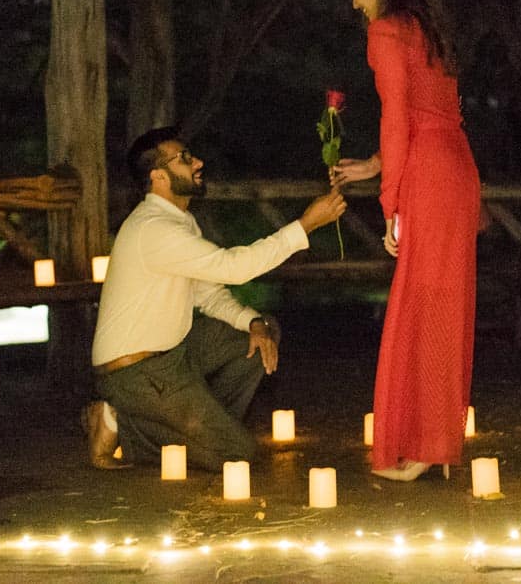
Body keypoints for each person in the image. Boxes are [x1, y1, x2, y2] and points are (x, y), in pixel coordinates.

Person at [86, 126, 347, 471]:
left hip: (175, 354)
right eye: (185, 158)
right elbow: (233, 268)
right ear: (158, 177)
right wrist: (305, 226)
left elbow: (207, 293)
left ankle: (200, 427)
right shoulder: (153, 228)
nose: (198, 163)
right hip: (138, 370)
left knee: (262, 332)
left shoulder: (180, 222)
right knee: (236, 456)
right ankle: (121, 423)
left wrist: (252, 322)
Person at [331, 0, 485, 482]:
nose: (355, 4)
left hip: (429, 182)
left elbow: (398, 117)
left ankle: (426, 448)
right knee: (442, 307)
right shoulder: (428, 28)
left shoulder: (386, 31)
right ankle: (433, 443)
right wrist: (377, 165)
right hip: (456, 172)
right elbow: (433, 115)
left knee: (425, 312)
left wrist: (390, 201)